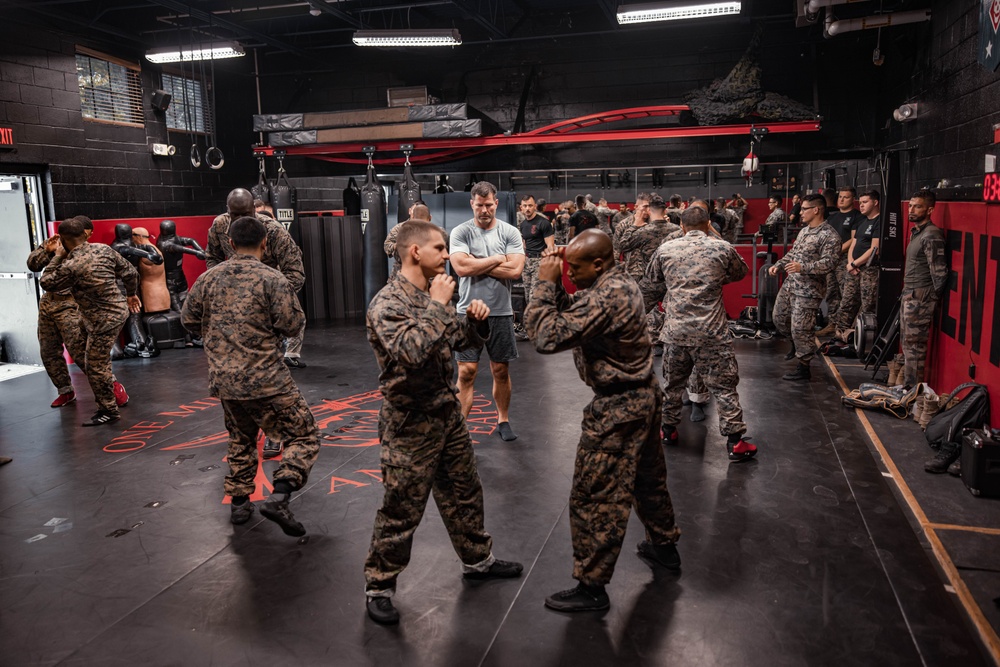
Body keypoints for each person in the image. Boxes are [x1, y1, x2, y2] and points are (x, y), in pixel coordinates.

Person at [363, 220, 523, 624]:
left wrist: (478, 322)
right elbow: (411, 353)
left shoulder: (437, 293)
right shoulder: (387, 304)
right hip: (409, 422)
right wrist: (438, 305)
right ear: (415, 252)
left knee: (465, 492)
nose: (447, 254)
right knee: (401, 508)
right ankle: (379, 584)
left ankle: (478, 561)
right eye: (439, 247)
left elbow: (459, 341)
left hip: (447, 415)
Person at [525, 229, 681, 612]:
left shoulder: (607, 295)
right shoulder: (618, 282)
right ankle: (665, 549)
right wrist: (560, 285)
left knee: (595, 497)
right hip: (642, 398)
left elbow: (545, 336)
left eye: (574, 268)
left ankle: (592, 587)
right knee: (648, 482)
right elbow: (578, 311)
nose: (568, 274)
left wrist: (544, 284)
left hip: (618, 409)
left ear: (598, 263)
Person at [181, 216, 320, 537]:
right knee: (304, 435)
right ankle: (281, 495)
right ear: (265, 244)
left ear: (229, 244)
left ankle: (240, 502)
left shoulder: (208, 279)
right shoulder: (272, 279)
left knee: (241, 437)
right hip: (266, 377)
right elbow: (292, 325)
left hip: (225, 378)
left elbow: (188, 319)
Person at [640, 206, 755, 459]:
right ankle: (735, 443)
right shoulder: (722, 247)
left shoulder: (665, 249)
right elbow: (740, 272)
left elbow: (652, 281)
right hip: (711, 334)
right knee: (724, 388)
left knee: (672, 386)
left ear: (681, 226)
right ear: (708, 225)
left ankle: (668, 431)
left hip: (675, 333)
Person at [39, 218, 141, 426]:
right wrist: (131, 295)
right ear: (84, 235)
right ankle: (98, 394)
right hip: (111, 311)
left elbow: (46, 281)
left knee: (95, 365)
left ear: (64, 241)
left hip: (103, 320)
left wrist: (57, 257)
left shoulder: (71, 264)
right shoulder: (103, 250)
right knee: (83, 345)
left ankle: (108, 410)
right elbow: (130, 272)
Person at [450, 181, 525, 442]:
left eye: (489, 204)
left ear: (496, 203)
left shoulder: (510, 232)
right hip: (467, 312)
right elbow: (460, 268)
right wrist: (497, 259)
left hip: (501, 311)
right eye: (479, 205)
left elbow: (515, 271)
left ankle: (503, 420)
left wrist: (475, 262)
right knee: (466, 372)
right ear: (472, 204)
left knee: (500, 370)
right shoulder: (460, 232)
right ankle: (459, 430)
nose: (484, 210)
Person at [206, 188, 307, 370]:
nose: (240, 219)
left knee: (294, 320)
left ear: (254, 209)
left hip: (270, 286)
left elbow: (295, 273)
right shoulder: (220, 226)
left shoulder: (274, 231)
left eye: (245, 214)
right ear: (227, 211)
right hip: (236, 287)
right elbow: (213, 257)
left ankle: (290, 355)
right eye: (235, 214)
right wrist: (222, 285)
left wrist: (274, 298)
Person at [769, 194, 841, 381]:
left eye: (804, 209)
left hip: (809, 290)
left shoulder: (829, 235)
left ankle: (804, 366)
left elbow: (830, 263)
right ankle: (795, 343)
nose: (800, 213)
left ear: (816, 210)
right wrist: (779, 264)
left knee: (802, 328)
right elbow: (794, 253)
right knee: (779, 318)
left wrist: (804, 267)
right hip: (791, 284)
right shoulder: (805, 231)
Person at [900, 191, 948, 388]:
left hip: (920, 299)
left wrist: (928, 300)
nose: (911, 210)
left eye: (917, 206)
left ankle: (912, 393)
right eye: (910, 206)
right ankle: (907, 388)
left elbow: (939, 273)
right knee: (908, 346)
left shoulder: (931, 235)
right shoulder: (917, 232)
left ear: (930, 210)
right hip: (909, 295)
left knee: (915, 349)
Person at [833, 189, 882, 341]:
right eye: (860, 203)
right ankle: (840, 333)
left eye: (865, 202)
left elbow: (875, 248)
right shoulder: (862, 222)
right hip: (853, 268)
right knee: (847, 302)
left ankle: (857, 337)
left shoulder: (879, 222)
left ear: (875, 202)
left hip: (868, 270)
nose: (861, 206)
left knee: (866, 305)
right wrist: (850, 263)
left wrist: (856, 263)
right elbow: (853, 244)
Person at [817, 187, 862, 336]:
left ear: (853, 199)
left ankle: (844, 327)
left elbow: (853, 240)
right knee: (831, 292)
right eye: (840, 197)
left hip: (844, 259)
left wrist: (837, 250)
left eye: (846, 197)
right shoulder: (832, 217)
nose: (842, 200)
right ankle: (832, 323)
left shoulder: (857, 216)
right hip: (831, 260)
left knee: (846, 293)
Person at [516, 194, 555, 327]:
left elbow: (550, 246)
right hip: (527, 262)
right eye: (525, 206)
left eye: (530, 206)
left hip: (539, 261)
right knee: (527, 296)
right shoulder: (522, 225)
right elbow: (524, 243)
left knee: (534, 296)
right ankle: (532, 326)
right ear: (521, 208)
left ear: (535, 207)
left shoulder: (543, 223)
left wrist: (547, 264)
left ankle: (537, 326)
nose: (527, 208)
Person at [157, 219, 207, 314]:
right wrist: (197, 252)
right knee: (178, 309)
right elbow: (179, 248)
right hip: (170, 279)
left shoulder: (173, 239)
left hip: (179, 275)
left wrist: (200, 250)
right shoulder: (165, 243)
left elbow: (190, 240)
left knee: (186, 300)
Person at [385, 202, 433, 279]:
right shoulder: (400, 228)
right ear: (410, 211)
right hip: (401, 273)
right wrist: (399, 245)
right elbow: (387, 246)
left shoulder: (433, 232)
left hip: (426, 273)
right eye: (415, 210)